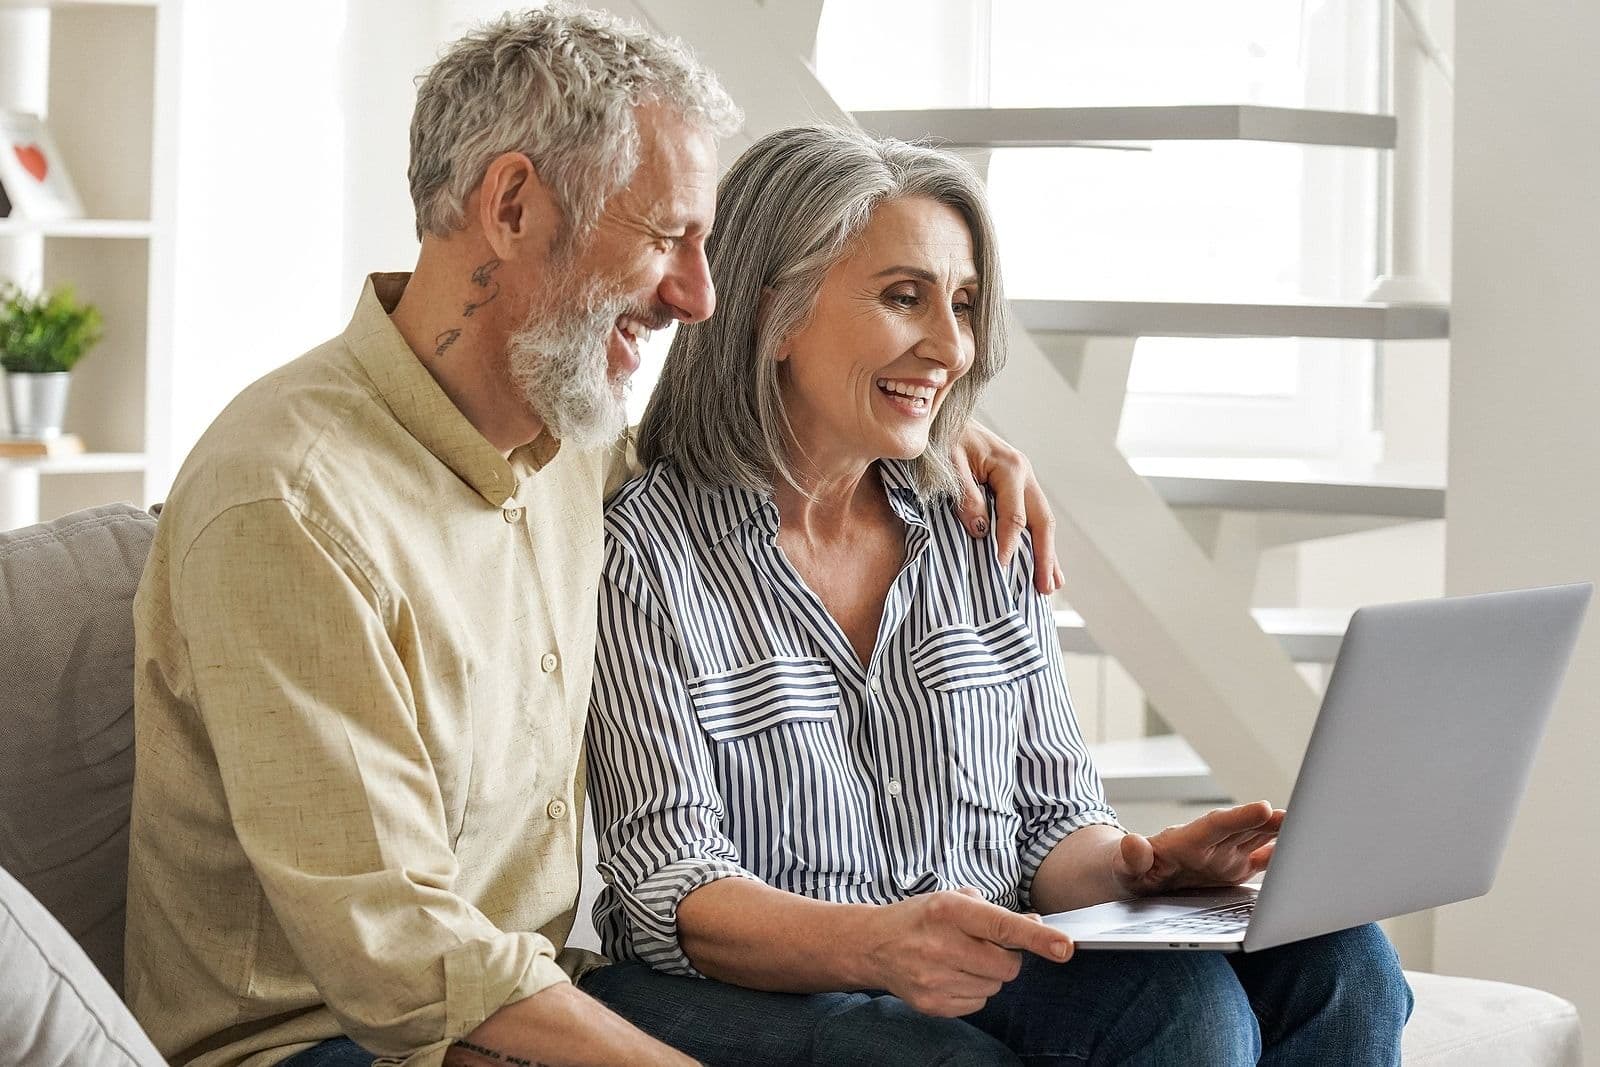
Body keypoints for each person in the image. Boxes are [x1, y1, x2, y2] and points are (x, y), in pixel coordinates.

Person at [124, 10, 1057, 1067]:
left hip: (526, 994)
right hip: (333, 1036)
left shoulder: (568, 440)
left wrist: (934, 428)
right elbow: (400, 949)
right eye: (667, 237)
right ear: (513, 205)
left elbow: (745, 449)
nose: (697, 296)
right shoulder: (291, 502)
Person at [583, 124, 1415, 1066]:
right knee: (1183, 1023)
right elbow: (669, 888)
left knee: (1347, 963)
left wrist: (1142, 870)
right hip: (752, 986)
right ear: (774, 308)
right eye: (906, 298)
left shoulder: (976, 526)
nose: (951, 346)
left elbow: (1052, 824)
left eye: (966, 304)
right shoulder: (645, 553)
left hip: (976, 954)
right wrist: (884, 944)